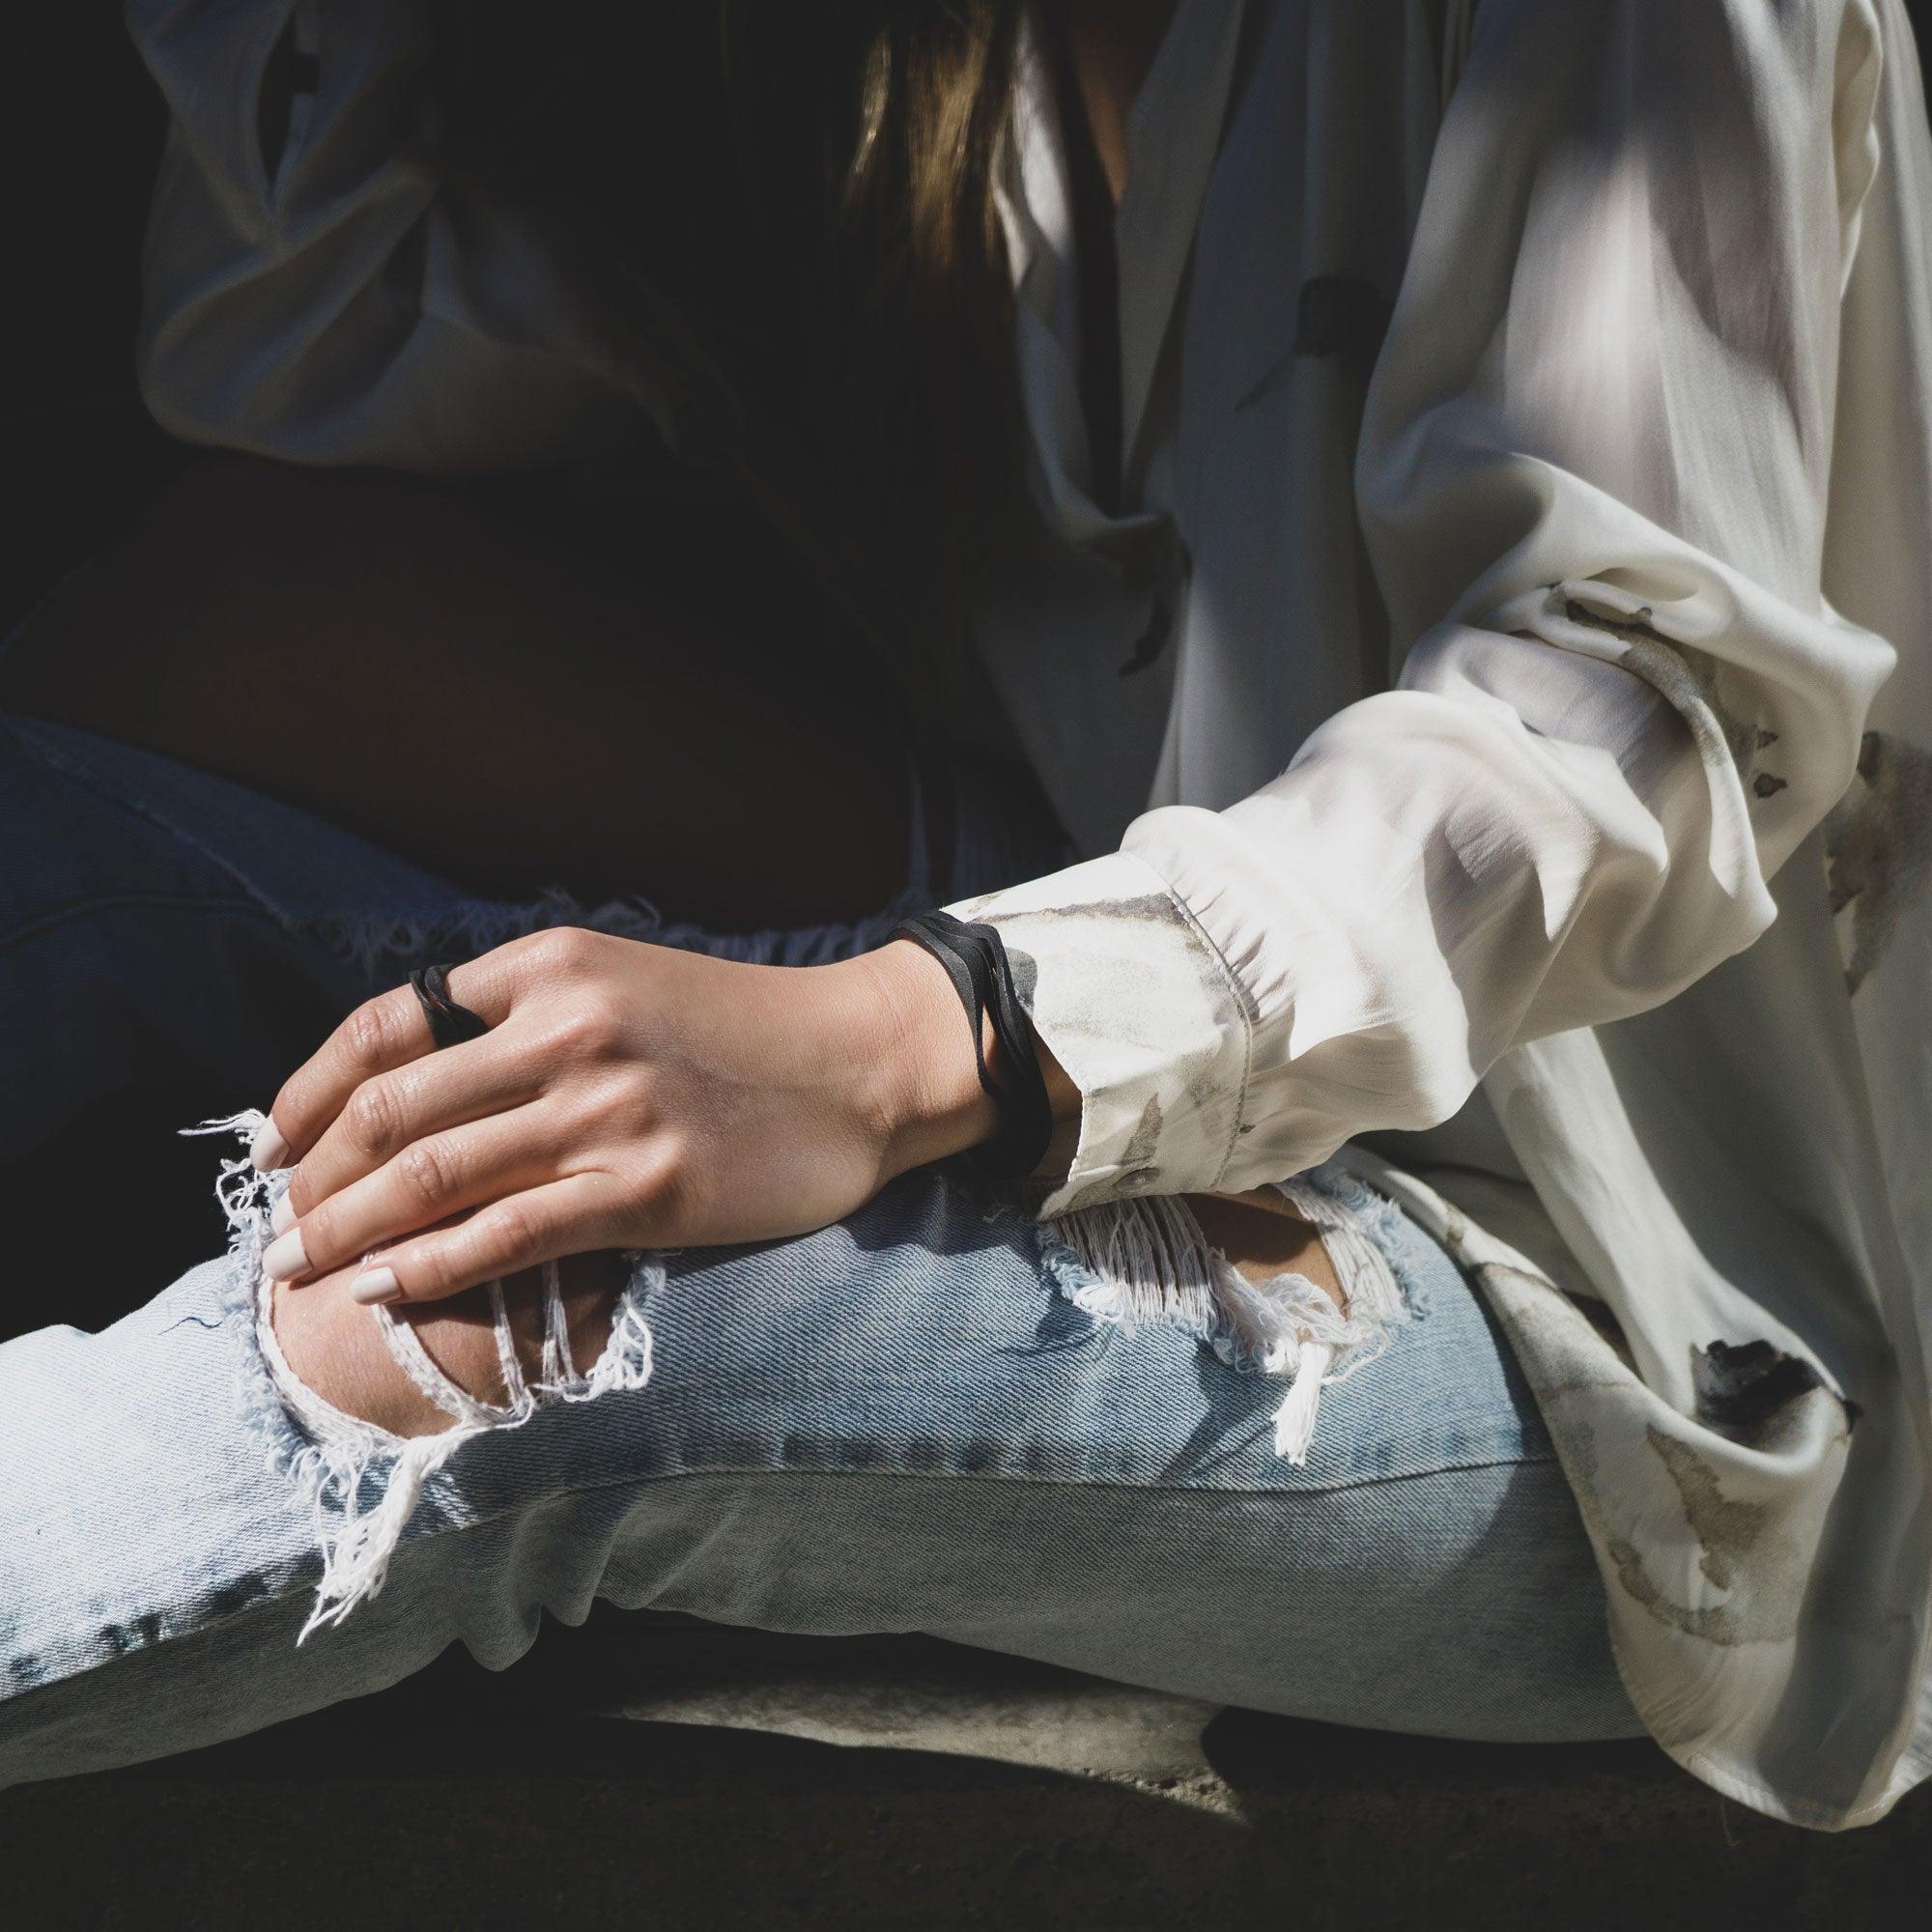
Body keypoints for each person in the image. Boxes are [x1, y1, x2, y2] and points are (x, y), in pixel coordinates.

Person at [2, 0, 1928, 1832]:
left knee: (522, 1312)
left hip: (1608, 1317)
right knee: (62, 832)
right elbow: (318, 338)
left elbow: (1630, 714)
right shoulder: (922, 69)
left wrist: (901, 1038)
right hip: (1041, 966)